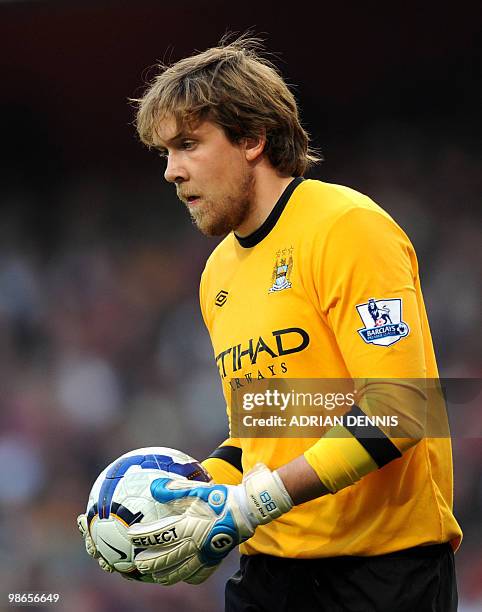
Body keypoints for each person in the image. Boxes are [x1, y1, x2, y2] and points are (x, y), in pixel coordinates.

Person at [78, 35, 462, 611]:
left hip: (384, 572)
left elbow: (403, 408)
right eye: (164, 153)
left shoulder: (345, 226)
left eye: (187, 145)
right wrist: (188, 493)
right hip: (270, 574)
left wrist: (252, 503)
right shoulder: (218, 275)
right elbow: (265, 432)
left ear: (253, 139)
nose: (170, 172)